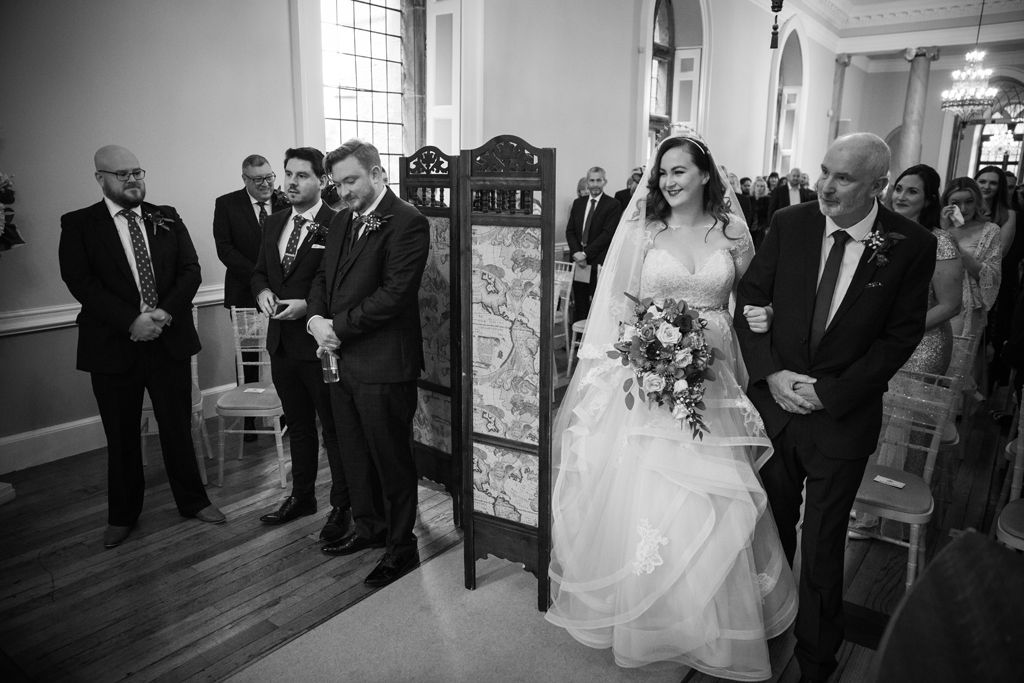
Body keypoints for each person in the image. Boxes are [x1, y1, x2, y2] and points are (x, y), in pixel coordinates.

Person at [547, 133, 797, 680]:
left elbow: (752, 296)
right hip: (651, 367)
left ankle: (707, 613)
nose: (669, 181)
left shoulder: (733, 231)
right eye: (662, 173)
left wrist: (762, 318)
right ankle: (648, 609)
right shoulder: (644, 231)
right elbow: (620, 302)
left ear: (706, 174)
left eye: (680, 170)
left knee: (713, 484)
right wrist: (645, 353)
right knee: (649, 486)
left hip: (717, 368)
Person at [735, 132, 936, 682]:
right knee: (771, 529)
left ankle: (818, 658)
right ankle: (763, 631)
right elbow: (750, 299)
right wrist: (772, 374)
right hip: (776, 408)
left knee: (824, 543)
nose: (824, 185)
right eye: (824, 171)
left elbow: (900, 337)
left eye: (842, 177)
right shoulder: (790, 225)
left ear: (878, 185)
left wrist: (830, 392)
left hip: (841, 418)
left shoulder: (909, 244)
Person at [59, 145, 225, 549]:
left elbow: (191, 270)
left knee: (176, 427)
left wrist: (163, 314)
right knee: (122, 435)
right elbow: (80, 281)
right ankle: (122, 515)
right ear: (101, 179)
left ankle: (193, 501)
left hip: (167, 342)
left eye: (137, 172)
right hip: (113, 346)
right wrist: (131, 320)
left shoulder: (165, 215)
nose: (132, 180)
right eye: (121, 174)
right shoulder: (80, 224)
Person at [307, 139, 429, 588]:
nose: (344, 191)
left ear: (378, 175)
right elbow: (322, 277)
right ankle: (370, 528)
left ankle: (402, 546)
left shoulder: (408, 222)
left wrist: (336, 327)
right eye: (337, 183)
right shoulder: (340, 221)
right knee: (354, 452)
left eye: (351, 180)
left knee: (391, 458)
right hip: (338, 359)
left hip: (383, 364)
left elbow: (395, 295)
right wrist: (316, 320)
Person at [251, 147, 351, 542]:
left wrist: (307, 307)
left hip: (319, 346)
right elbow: (260, 271)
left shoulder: (338, 222)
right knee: (299, 428)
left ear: (323, 181)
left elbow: (338, 285)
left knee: (333, 429)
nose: (291, 183)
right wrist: (260, 292)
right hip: (280, 345)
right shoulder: (274, 222)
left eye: (302, 176)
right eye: (288, 174)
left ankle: (341, 505)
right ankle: (302, 496)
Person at [214, 154, 289, 437]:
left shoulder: (285, 201)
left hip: (283, 293)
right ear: (245, 179)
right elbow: (225, 249)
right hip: (244, 291)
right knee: (247, 356)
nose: (266, 184)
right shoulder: (227, 204)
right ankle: (249, 424)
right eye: (258, 180)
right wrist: (260, 277)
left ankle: (283, 414)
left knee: (281, 351)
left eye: (269, 177)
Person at [975, 166, 1021, 392]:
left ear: (1000, 187)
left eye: (992, 183)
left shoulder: (1008, 214)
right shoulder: (966, 208)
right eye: (982, 181)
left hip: (989, 282)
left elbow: (999, 252)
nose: (986, 186)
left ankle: (979, 390)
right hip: (960, 277)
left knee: (983, 338)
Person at [940, 177, 1002, 341]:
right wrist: (943, 230)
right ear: (947, 203)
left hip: (967, 308)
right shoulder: (939, 227)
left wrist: (951, 242)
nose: (963, 208)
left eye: (969, 201)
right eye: (956, 202)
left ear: (978, 202)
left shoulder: (990, 231)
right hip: (934, 303)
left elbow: (991, 276)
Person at [565, 166, 623, 322]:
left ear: (605, 182)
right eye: (592, 180)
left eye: (599, 180)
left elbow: (607, 234)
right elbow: (570, 231)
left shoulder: (613, 205)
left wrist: (585, 254)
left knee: (598, 304)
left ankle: (593, 344)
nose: (595, 184)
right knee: (580, 304)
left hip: (598, 262)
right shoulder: (578, 203)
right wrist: (577, 253)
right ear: (587, 182)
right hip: (579, 264)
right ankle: (578, 345)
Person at [750, 176, 771, 249]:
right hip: (749, 226)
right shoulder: (749, 199)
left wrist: (767, 227)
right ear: (754, 187)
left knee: (759, 247)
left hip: (761, 227)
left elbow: (768, 214)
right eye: (757, 186)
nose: (759, 188)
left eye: (762, 186)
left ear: (765, 188)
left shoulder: (768, 200)